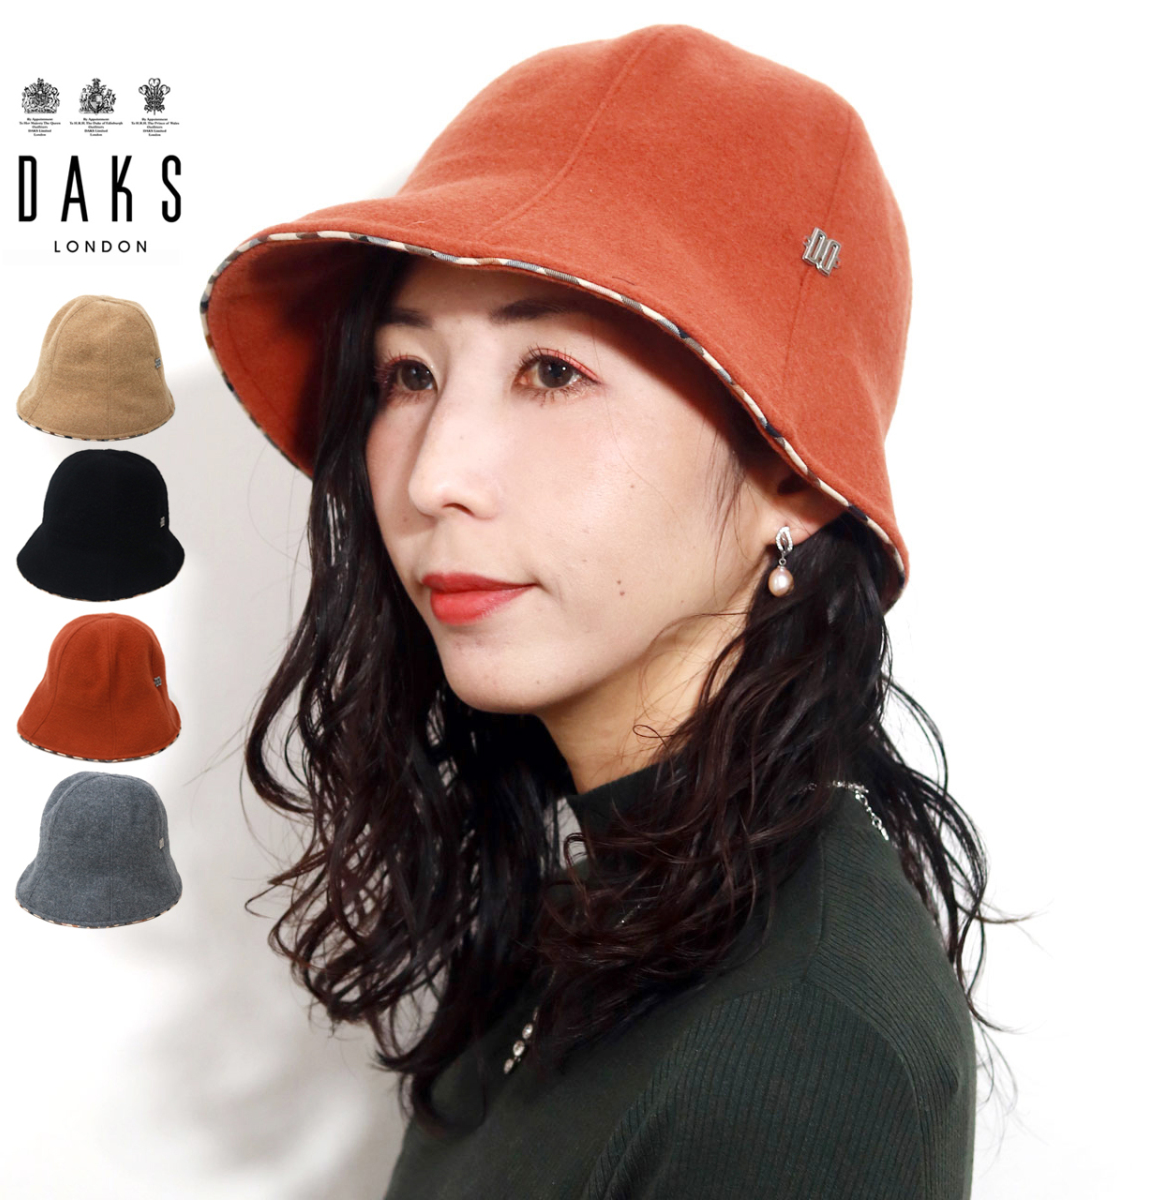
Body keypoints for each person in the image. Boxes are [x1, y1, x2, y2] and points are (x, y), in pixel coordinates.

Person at [202, 22, 1009, 1198]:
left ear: (791, 480)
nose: (433, 477)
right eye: (408, 375)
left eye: (552, 372)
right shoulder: (606, 902)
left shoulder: (805, 1046)